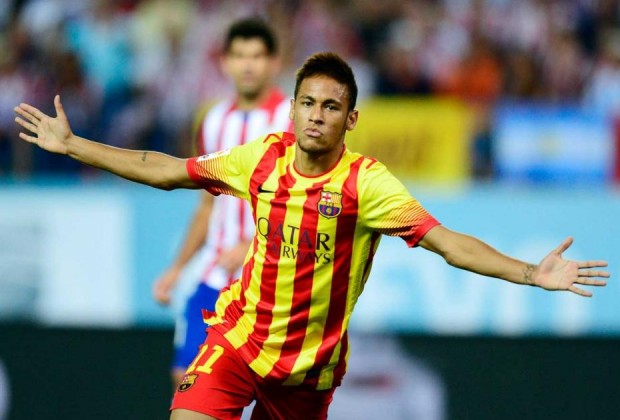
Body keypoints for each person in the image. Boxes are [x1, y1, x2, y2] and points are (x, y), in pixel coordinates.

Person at [14, 52, 609, 420]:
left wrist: (531, 273)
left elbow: (449, 243)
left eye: (331, 106)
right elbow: (166, 169)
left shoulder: (367, 185)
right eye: (307, 103)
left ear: (350, 119)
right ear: (292, 110)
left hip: (308, 373)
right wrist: (74, 146)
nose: (316, 115)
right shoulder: (260, 160)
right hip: (238, 344)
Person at [150, 17, 293, 391]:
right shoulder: (213, 121)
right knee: (186, 378)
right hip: (214, 273)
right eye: (240, 56)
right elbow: (207, 205)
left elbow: (300, 202)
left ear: (274, 62)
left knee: (261, 389)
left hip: (269, 278)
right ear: (225, 62)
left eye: (257, 56)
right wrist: (177, 267)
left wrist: (252, 244)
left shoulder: (291, 119)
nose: (248, 65)